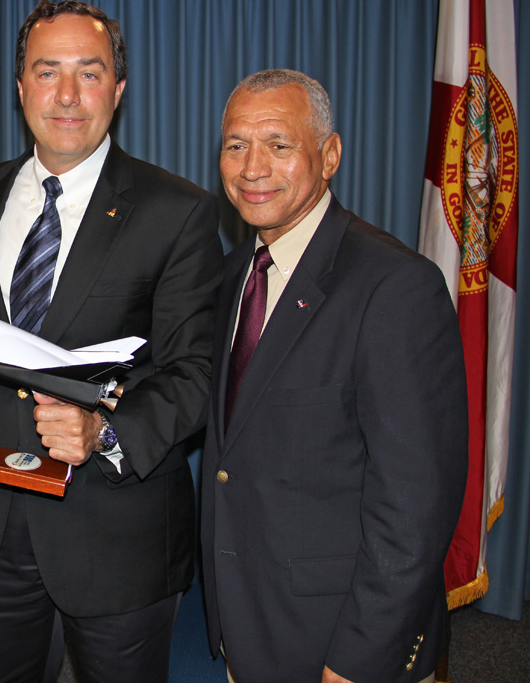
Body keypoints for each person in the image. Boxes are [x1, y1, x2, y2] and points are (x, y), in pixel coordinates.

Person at [0, 0, 223, 683]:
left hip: (116, 530)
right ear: (20, 88)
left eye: (89, 73)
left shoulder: (177, 210)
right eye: (47, 72)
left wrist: (104, 428)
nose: (67, 95)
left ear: (118, 90)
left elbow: (197, 372)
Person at [200, 69, 469, 683]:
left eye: (279, 144)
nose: (251, 167)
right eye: (235, 144)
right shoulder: (237, 272)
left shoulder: (395, 287)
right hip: (251, 625)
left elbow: (415, 507)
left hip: (346, 646)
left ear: (330, 155)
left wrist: (359, 659)